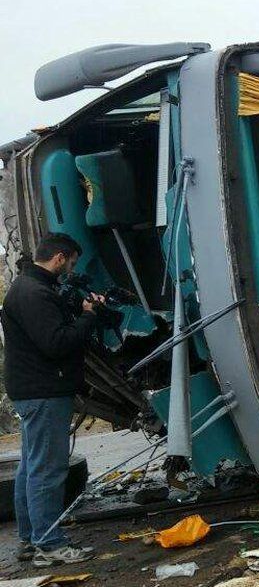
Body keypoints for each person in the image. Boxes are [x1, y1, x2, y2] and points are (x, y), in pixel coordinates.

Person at [2, 233, 103, 567]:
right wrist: (88, 317)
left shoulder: (29, 287)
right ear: (59, 257)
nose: (70, 269)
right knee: (48, 470)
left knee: (32, 467)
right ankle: (50, 544)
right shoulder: (35, 293)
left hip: (33, 389)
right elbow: (56, 343)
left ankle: (31, 539)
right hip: (44, 391)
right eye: (70, 262)